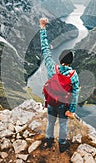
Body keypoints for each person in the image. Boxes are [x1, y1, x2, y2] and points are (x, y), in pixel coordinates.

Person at [39, 17, 80, 153]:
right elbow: (74, 94)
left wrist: (42, 28)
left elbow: (45, 49)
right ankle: (62, 144)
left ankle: (49, 139)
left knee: (51, 122)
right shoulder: (73, 75)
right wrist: (71, 110)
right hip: (63, 105)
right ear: (71, 61)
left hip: (51, 102)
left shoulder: (52, 68)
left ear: (60, 59)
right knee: (63, 124)